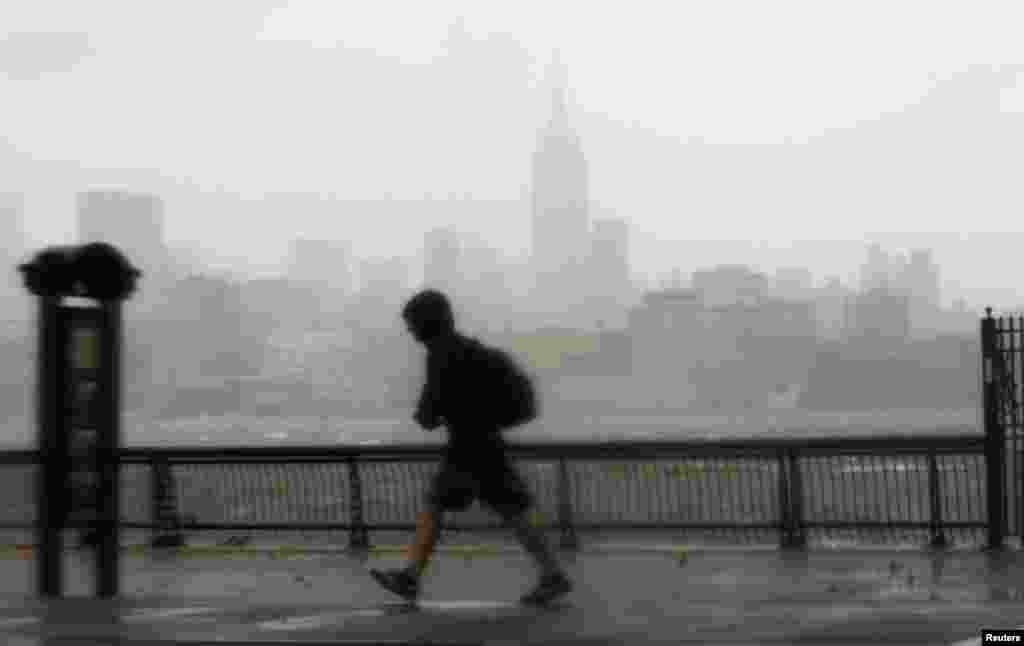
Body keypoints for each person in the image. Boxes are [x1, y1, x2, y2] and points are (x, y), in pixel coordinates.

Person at [370, 289, 573, 606]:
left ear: (426, 323)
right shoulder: (472, 351)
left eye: (411, 325)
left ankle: (410, 577)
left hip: (467, 447)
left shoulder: (441, 354)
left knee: (438, 504)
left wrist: (427, 414)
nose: (409, 332)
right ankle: (551, 574)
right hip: (486, 442)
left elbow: (429, 410)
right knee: (512, 510)